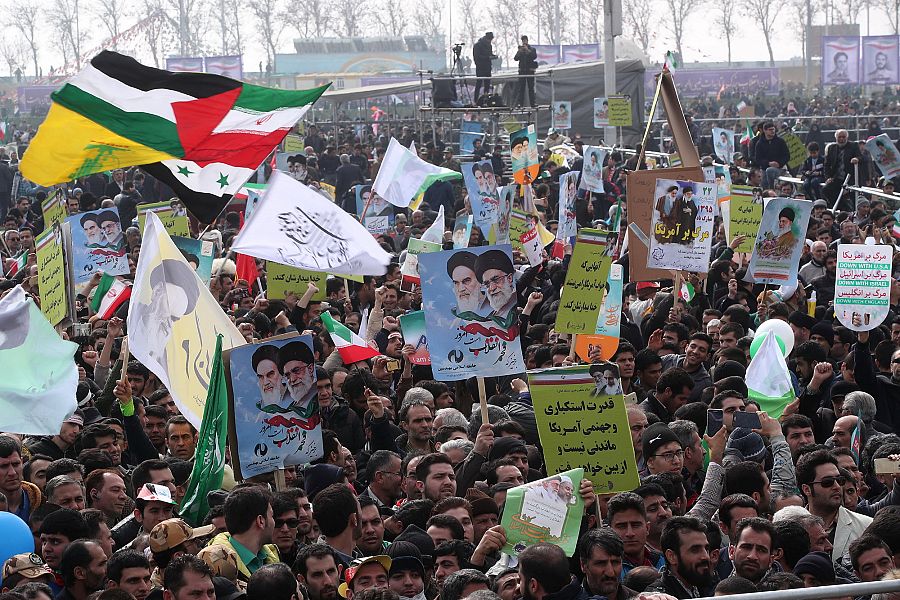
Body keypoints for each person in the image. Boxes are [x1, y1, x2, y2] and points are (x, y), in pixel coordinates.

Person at [514, 36, 538, 108]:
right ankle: (520, 104)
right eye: (523, 41)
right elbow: (515, 58)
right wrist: (519, 52)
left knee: (531, 88)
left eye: (525, 40)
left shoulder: (532, 49)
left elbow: (534, 56)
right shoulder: (520, 50)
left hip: (530, 71)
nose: (524, 42)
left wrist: (528, 50)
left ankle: (532, 103)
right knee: (521, 88)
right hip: (522, 71)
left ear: (527, 41)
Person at [472, 33, 496, 101]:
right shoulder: (477, 45)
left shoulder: (489, 45)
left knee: (487, 85)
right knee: (478, 84)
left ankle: (486, 100)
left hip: (487, 67)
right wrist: (488, 58)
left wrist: (493, 56)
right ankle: (475, 101)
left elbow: (489, 54)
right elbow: (477, 57)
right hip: (480, 67)